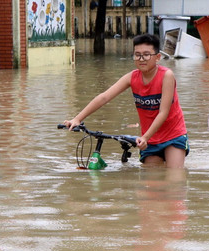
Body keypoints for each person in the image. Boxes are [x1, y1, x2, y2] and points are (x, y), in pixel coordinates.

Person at [63, 34, 188, 168]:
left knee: (174, 178)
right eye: (137, 55)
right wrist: (77, 119)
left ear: (157, 57)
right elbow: (104, 97)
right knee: (151, 182)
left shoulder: (166, 76)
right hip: (150, 139)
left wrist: (145, 137)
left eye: (146, 55)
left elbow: (163, 112)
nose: (141, 59)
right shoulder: (132, 77)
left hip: (172, 135)